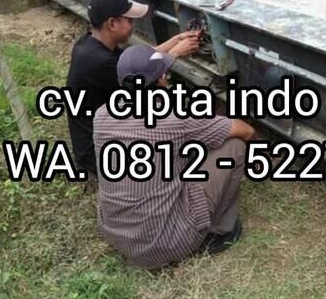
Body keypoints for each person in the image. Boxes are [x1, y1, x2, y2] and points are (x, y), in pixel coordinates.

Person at [93, 44, 255, 268]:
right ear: (161, 78)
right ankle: (217, 231)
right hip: (167, 244)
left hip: (118, 236)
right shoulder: (175, 118)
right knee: (234, 146)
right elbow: (246, 131)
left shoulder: (101, 115)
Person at [66, 0, 200, 174]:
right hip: (101, 155)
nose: (133, 25)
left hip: (101, 135)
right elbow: (148, 75)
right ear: (112, 24)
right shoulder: (102, 62)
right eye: (129, 20)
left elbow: (142, 61)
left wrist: (174, 41)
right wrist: (175, 53)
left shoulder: (89, 44)